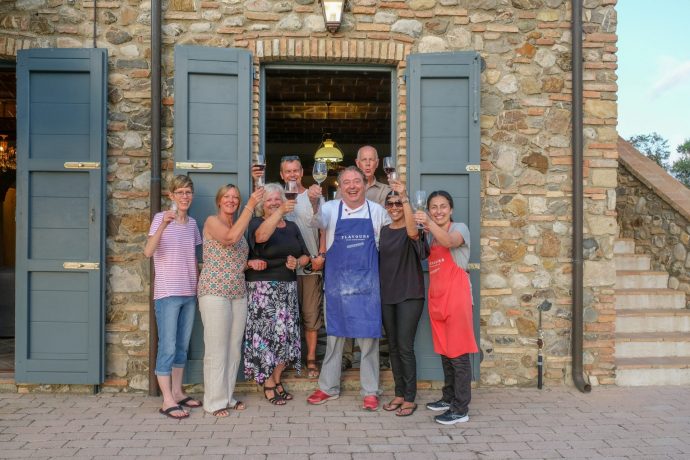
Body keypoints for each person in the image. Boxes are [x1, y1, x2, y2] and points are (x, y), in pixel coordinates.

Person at [306, 166, 391, 411]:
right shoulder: (331, 209)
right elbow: (316, 221)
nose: (352, 186)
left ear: (365, 185)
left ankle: (370, 390)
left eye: (357, 181)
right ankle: (327, 387)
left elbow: (391, 240)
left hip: (367, 287)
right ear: (339, 187)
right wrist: (314, 202)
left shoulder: (377, 212)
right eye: (346, 182)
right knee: (334, 339)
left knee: (368, 340)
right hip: (338, 287)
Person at [197, 182, 265, 417]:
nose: (231, 200)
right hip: (214, 291)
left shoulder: (239, 225)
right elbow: (228, 239)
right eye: (227, 196)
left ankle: (227, 395)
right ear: (219, 201)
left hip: (237, 291)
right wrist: (251, 205)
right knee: (216, 348)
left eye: (235, 197)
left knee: (234, 348)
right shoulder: (211, 222)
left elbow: (233, 256)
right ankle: (213, 402)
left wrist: (249, 263)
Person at [244, 183, 311, 405]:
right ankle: (269, 382)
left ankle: (277, 377)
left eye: (277, 199)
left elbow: (305, 257)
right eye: (269, 200)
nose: (273, 203)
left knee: (285, 337)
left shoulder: (291, 227)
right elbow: (262, 237)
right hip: (263, 289)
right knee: (266, 338)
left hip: (287, 287)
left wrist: (297, 261)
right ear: (262, 205)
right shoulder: (256, 223)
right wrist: (280, 212)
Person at [414, 190, 477, 425]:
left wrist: (428, 223)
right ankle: (449, 397)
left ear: (450, 210)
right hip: (438, 300)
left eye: (443, 206)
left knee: (458, 355)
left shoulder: (459, 228)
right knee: (445, 353)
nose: (438, 211)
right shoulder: (430, 236)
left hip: (457, 299)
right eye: (433, 207)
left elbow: (450, 242)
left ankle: (461, 409)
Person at [144, 175, 202, 420]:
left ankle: (177, 392)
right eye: (179, 192)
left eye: (188, 192)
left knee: (181, 346)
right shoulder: (160, 218)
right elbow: (148, 251)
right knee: (167, 346)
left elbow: (194, 259)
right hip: (167, 293)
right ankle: (166, 399)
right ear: (171, 196)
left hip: (189, 291)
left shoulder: (193, 224)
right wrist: (163, 226)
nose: (184, 196)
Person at [338, 145, 392, 371]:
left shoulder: (386, 191)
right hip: (349, 258)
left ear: (377, 163)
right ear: (357, 164)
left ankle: (381, 353)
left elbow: (389, 219)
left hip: (374, 256)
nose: (368, 164)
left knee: (374, 305)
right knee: (347, 303)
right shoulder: (347, 189)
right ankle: (347, 356)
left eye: (372, 160)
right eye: (364, 160)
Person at [379, 183, 429, 417]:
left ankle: (409, 397)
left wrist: (406, 198)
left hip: (410, 294)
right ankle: (399, 393)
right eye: (391, 203)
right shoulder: (384, 230)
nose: (395, 207)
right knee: (394, 347)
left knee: (405, 347)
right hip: (387, 295)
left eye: (398, 203)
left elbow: (412, 233)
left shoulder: (413, 228)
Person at [279, 155, 325, 379]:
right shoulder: (276, 197)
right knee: (287, 317)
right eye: (288, 171)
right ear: (281, 175)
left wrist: (321, 256)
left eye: (296, 170)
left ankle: (311, 359)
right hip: (283, 268)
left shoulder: (313, 196)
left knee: (310, 316)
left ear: (302, 172)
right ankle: (288, 358)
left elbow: (324, 228)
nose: (293, 175)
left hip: (310, 267)